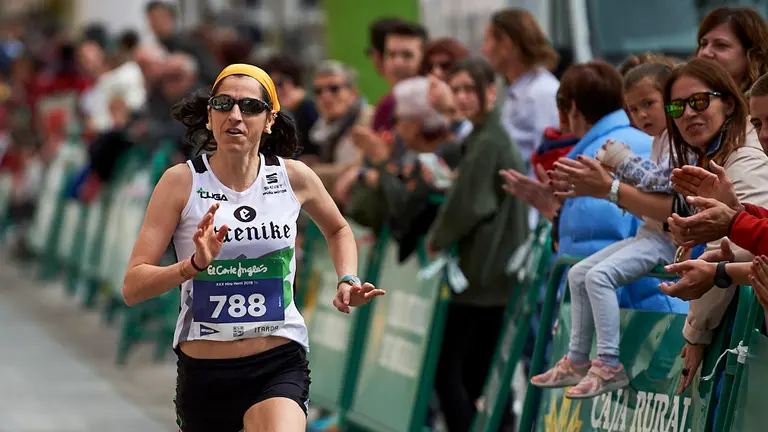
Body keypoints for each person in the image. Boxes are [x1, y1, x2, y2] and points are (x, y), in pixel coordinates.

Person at [120, 64, 384, 432]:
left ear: (270, 119)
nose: (236, 116)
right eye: (223, 104)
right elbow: (133, 287)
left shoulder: (293, 177)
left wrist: (347, 278)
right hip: (205, 372)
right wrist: (192, 266)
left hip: (278, 362)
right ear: (210, 117)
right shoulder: (181, 182)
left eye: (250, 107)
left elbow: (339, 229)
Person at [529, 62, 678, 398]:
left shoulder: (659, 142)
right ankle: (578, 359)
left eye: (649, 104)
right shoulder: (654, 141)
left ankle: (608, 364)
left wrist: (618, 166)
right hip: (648, 247)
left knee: (597, 277)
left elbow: (658, 188)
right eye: (634, 108)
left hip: (660, 278)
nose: (641, 115)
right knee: (579, 273)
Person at [428, 57, 528, 432]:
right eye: (458, 90)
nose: (464, 97)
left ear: (490, 92)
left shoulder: (488, 139)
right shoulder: (483, 135)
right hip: (489, 271)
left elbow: (467, 204)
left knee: (451, 373)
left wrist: (437, 238)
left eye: (471, 89)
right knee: (476, 375)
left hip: (482, 274)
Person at [695, 6, 768, 94]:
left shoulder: (762, 104)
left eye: (721, 45)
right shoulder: (685, 97)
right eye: (703, 44)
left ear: (752, 55)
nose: (705, 52)